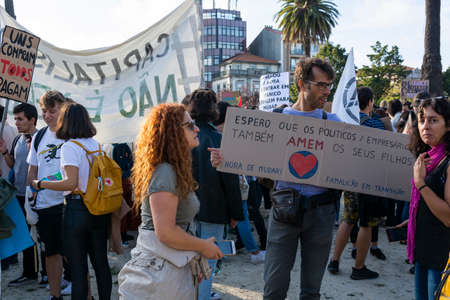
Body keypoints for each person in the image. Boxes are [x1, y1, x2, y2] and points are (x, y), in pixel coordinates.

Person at [118, 103, 223, 299]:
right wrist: (202, 246)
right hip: (159, 273)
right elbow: (165, 232)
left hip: (167, 268)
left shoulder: (172, 168)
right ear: (173, 132)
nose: (197, 128)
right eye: (190, 125)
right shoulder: (165, 171)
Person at [263, 58, 340, 299]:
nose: (326, 91)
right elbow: (253, 161)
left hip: (321, 213)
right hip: (283, 210)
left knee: (311, 291)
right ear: (301, 84)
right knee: (273, 288)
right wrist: (225, 159)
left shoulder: (334, 124)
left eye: (329, 85)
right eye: (321, 85)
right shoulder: (276, 119)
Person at [31, 103, 112, 300]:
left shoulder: (70, 146)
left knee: (78, 269)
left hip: (77, 209)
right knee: (101, 265)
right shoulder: (96, 145)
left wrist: (41, 184)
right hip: (99, 209)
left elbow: (71, 181)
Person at [188, 89, 244, 300]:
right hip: (214, 210)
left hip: (187, 211)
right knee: (206, 264)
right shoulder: (220, 139)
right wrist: (236, 214)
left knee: (188, 263)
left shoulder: (184, 138)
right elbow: (231, 182)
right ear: (214, 110)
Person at [328, 86, 386, 280]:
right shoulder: (376, 124)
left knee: (348, 220)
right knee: (366, 224)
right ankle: (358, 267)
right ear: (370, 102)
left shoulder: (347, 122)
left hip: (350, 178)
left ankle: (334, 261)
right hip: (370, 179)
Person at [398, 96, 450, 300]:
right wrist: (415, 217)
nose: (425, 126)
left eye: (433, 120)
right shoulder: (429, 157)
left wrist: (420, 183)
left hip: (441, 258)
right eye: (422, 120)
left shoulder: (447, 162)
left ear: (448, 125)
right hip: (423, 250)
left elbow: (448, 217)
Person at [26, 91, 70, 300]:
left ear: (62, 109)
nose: (47, 115)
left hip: (69, 202)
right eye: (44, 111)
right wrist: (29, 197)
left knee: (73, 253)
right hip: (44, 204)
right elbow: (32, 170)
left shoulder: (72, 134)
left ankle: (84, 294)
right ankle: (55, 295)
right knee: (51, 252)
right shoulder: (39, 136)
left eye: (52, 111)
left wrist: (48, 182)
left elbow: (75, 171)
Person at [213, 101, 265, 264]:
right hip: (235, 180)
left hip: (220, 182)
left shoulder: (213, 132)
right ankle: (254, 252)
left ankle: (221, 250)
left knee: (227, 218)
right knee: (241, 215)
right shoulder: (229, 133)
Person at [0, 103, 40, 286]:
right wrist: (4, 152)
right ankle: (29, 273)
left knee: (39, 236)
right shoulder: (17, 139)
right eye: (15, 118)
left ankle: (46, 274)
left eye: (20, 119)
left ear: (32, 120)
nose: (16, 122)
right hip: (18, 193)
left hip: (35, 194)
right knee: (24, 236)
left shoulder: (41, 138)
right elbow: (12, 164)